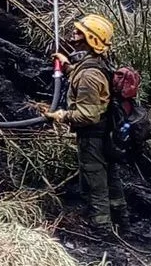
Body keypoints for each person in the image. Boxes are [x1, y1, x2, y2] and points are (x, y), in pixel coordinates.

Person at [43, 13, 129, 237]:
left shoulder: (89, 75)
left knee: (96, 184)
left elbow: (88, 115)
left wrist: (62, 115)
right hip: (105, 135)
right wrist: (68, 66)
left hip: (93, 138)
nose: (74, 33)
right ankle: (123, 224)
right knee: (111, 179)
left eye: (79, 32)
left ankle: (102, 231)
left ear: (91, 39)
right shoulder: (94, 65)